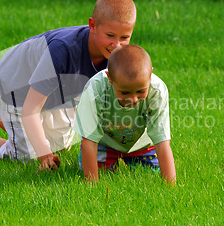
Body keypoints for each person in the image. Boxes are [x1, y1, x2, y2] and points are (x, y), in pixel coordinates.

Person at [0, 0, 137, 171]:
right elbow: (30, 110)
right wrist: (43, 153)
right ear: (92, 25)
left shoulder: (116, 56)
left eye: (124, 37)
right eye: (110, 35)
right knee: (29, 156)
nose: (117, 45)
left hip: (57, 91)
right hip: (18, 85)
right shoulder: (62, 50)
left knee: (60, 147)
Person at [73, 45, 176, 184]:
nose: (133, 99)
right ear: (109, 77)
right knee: (95, 170)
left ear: (150, 75)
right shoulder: (95, 89)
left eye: (140, 91)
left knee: (150, 174)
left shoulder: (157, 90)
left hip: (141, 145)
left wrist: (171, 185)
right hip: (104, 144)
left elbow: (162, 141)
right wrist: (92, 185)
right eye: (125, 93)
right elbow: (89, 141)